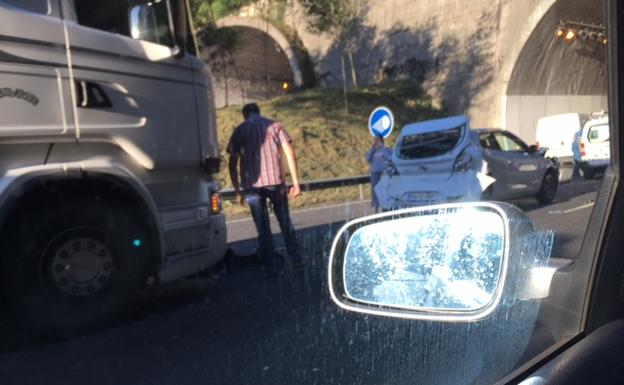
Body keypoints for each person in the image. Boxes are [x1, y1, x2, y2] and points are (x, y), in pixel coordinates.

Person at [227, 103, 303, 279]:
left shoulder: (239, 131)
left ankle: (270, 268)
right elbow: (289, 153)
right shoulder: (275, 126)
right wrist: (296, 183)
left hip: (252, 187)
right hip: (275, 183)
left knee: (263, 229)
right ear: (259, 112)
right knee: (285, 222)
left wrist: (238, 189)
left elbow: (232, 162)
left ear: (245, 115)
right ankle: (297, 260)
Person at [365, 136, 393, 213]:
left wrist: (382, 147)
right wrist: (372, 148)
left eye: (377, 140)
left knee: (385, 191)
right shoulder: (373, 151)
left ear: (381, 140)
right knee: (375, 192)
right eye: (374, 140)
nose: (375, 142)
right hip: (375, 172)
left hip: (384, 172)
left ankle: (386, 209)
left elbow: (390, 158)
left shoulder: (387, 150)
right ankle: (376, 209)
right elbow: (367, 158)